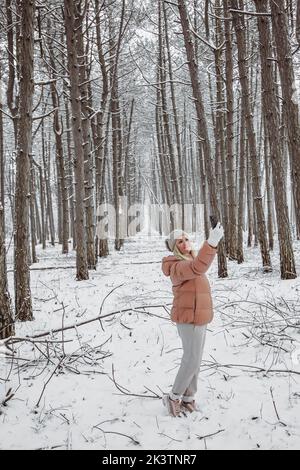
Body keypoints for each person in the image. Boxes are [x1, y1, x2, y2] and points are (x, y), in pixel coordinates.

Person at [161, 223, 224, 417]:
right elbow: (198, 267)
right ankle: (173, 397)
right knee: (191, 359)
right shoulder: (177, 267)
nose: (185, 242)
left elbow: (198, 266)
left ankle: (188, 398)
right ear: (173, 247)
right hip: (189, 319)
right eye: (180, 241)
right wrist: (212, 243)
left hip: (200, 318)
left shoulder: (191, 261)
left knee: (196, 360)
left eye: (187, 239)